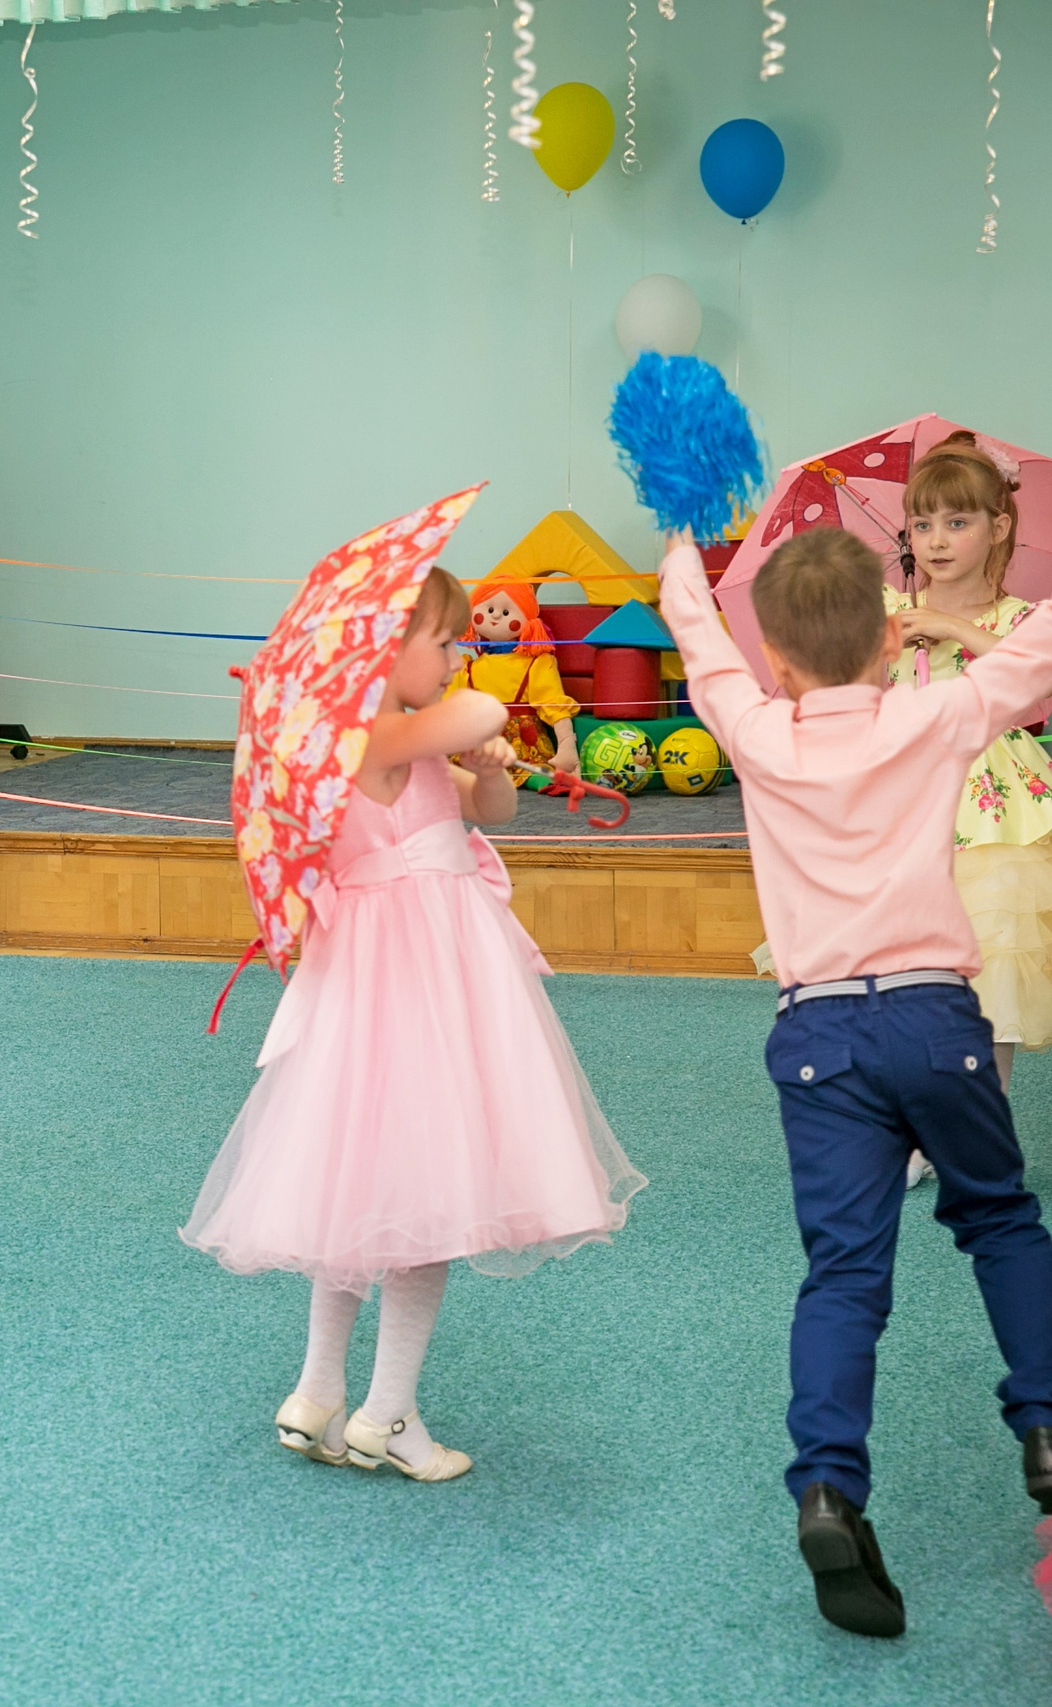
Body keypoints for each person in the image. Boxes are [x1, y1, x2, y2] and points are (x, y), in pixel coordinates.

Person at [659, 426, 1052, 1639]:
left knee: (844, 1273)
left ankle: (829, 1485)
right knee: (997, 1216)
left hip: (815, 1035)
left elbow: (688, 625)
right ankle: (1046, 1431)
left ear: (772, 656)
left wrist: (678, 520)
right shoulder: (933, 718)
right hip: (936, 1020)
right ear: (891, 637)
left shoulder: (755, 730)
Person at [182, 568, 645, 1483]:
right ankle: (387, 1412)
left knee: (366, 1192)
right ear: (384, 651)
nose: (459, 656)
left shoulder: (408, 737)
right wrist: (483, 722)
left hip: (413, 973)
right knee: (427, 1195)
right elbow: (472, 711)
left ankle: (317, 1393)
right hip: (415, 981)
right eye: (443, 640)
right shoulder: (367, 735)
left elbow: (488, 813)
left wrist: (491, 773)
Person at [891, 430, 1052, 1087]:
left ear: (999, 527)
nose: (936, 539)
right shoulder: (890, 611)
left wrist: (953, 630)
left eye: (957, 521)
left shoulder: (1013, 617)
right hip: (901, 808)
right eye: (922, 523)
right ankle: (918, 1128)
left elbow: (1031, 683)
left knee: (993, 973)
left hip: (993, 811)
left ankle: (982, 1129)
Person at [451, 572, 583, 778]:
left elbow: (553, 703)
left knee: (533, 771)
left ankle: (536, 781)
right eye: (490, 609)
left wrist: (566, 744)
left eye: (506, 612)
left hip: (523, 744)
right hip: (481, 741)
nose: (495, 616)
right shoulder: (466, 667)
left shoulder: (536, 664)